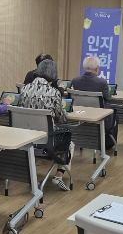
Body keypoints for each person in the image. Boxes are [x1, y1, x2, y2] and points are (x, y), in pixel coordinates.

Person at [21, 59, 74, 191]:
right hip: (47, 139)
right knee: (70, 143)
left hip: (27, 138)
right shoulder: (54, 92)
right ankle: (59, 176)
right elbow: (61, 118)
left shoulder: (24, 89)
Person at [70, 55, 117, 148]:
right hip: (98, 116)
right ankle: (108, 144)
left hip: (80, 114)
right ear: (97, 68)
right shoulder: (102, 82)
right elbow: (108, 98)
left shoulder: (75, 81)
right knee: (115, 114)